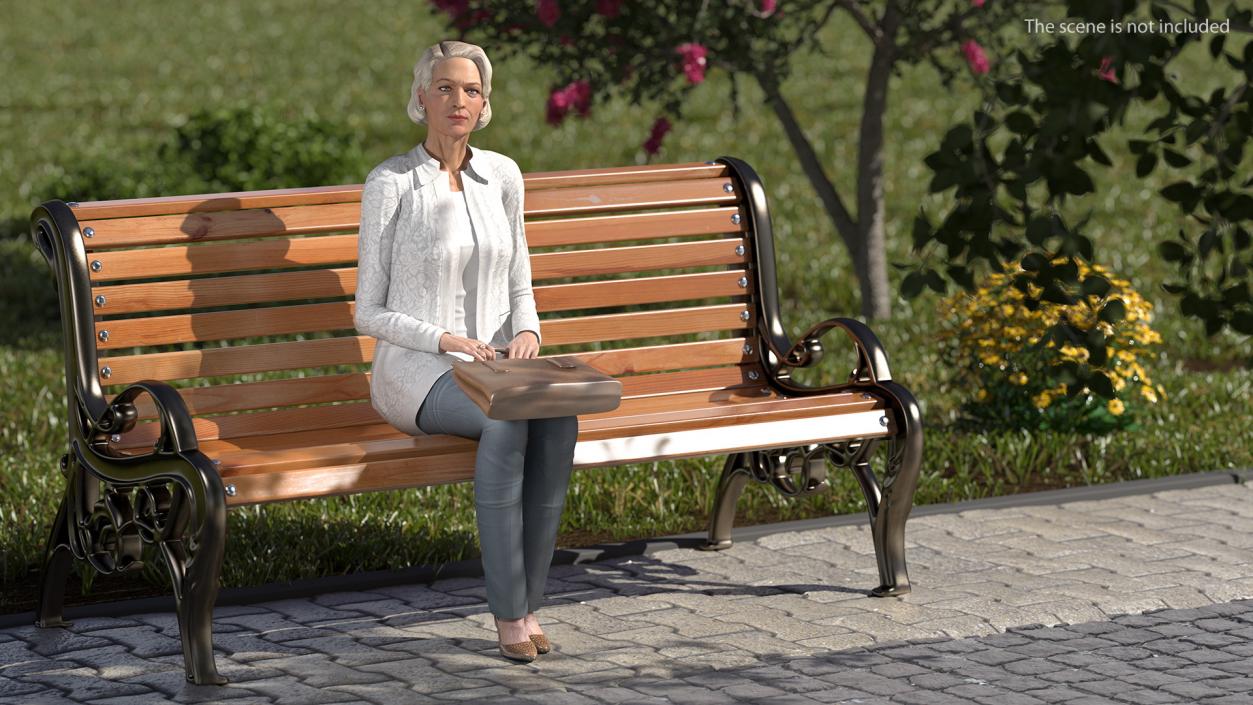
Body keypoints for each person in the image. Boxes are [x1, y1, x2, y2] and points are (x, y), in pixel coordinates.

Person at [353, 39, 580, 663]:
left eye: (471, 90)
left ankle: (531, 604)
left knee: (560, 418)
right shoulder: (392, 183)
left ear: (485, 104)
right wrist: (444, 339)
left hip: (495, 366)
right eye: (445, 88)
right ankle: (509, 616)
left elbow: (520, 281)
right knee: (508, 424)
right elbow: (366, 311)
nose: (459, 100)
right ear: (421, 96)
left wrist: (529, 333)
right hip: (417, 373)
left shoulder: (503, 176)